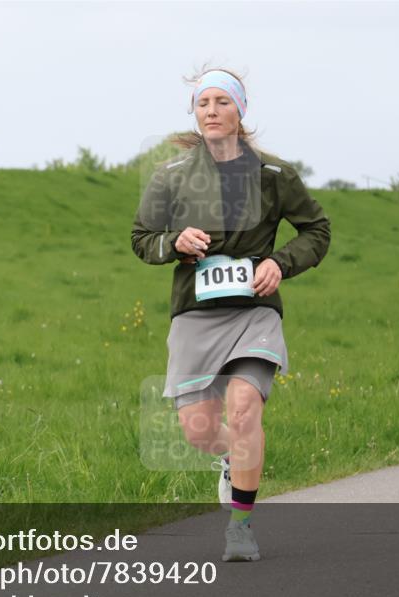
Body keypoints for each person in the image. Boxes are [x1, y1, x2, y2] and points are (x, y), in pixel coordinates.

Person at [131, 68, 330, 561]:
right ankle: (229, 459)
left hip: (255, 312)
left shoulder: (275, 175)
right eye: (203, 104)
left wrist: (278, 264)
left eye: (222, 102)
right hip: (195, 314)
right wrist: (174, 243)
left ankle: (240, 527)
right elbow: (141, 239)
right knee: (199, 430)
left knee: (243, 409)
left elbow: (316, 231)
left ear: (241, 110)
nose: (212, 111)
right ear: (194, 114)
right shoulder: (171, 176)